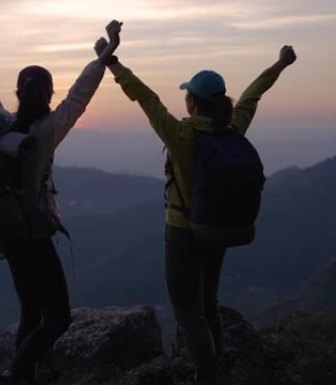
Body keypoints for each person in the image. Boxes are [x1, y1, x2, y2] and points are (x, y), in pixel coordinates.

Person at [95, 37, 297, 384]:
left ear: (192, 102)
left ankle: (207, 376)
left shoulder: (182, 136)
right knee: (208, 303)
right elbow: (252, 95)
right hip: (219, 229)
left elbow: (147, 98)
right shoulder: (232, 130)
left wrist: (112, 63)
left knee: (189, 313)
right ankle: (214, 367)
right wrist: (279, 64)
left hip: (183, 231)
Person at [0, 20, 123, 385]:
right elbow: (80, 95)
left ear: (18, 92)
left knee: (30, 308)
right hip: (33, 234)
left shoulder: (2, 123)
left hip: (8, 233)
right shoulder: (46, 132)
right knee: (59, 317)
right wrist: (108, 52)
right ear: (48, 94)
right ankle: (18, 373)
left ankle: (27, 372)